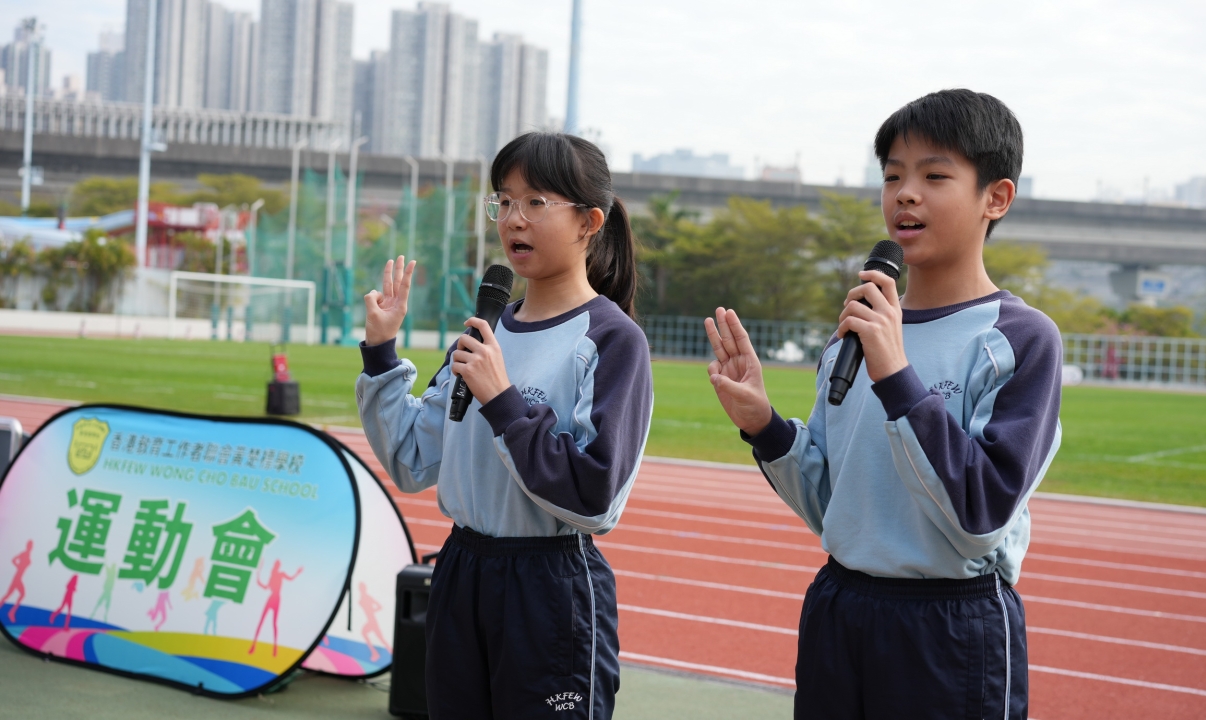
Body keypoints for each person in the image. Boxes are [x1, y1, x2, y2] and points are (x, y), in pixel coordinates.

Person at [704, 89, 1061, 720]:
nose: (905, 194)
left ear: (996, 198)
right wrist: (763, 425)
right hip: (841, 611)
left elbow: (980, 515)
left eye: (934, 176)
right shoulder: (853, 333)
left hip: (950, 627)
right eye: (893, 176)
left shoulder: (1018, 338)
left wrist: (897, 375)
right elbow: (832, 504)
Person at [357, 131, 652, 720]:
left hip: (549, 585)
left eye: (536, 202)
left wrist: (504, 403)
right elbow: (412, 459)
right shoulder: (484, 334)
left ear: (589, 221)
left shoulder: (611, 340)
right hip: (462, 572)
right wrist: (382, 353)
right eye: (505, 201)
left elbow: (595, 498)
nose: (514, 219)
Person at [248, 559, 302, 657]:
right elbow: (265, 587)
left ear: (278, 566)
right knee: (261, 621)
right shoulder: (272, 576)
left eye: (276, 565)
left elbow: (290, 578)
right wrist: (258, 577)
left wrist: (297, 573)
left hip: (276, 599)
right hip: (271, 598)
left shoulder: (281, 574)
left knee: (274, 623)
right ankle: (253, 646)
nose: (274, 566)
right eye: (274, 565)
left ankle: (275, 647)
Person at [3, 539, 33, 623]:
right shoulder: (24, 554)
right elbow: (13, 559)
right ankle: (11, 612)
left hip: (19, 578)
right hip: (17, 578)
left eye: (31, 546)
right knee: (8, 595)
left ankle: (11, 612)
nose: (30, 547)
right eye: (30, 545)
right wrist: (18, 566)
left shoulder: (28, 555)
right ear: (27, 546)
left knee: (21, 594)